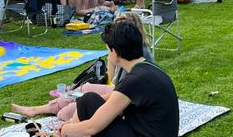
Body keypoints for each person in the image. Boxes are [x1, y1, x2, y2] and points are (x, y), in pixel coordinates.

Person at [39, 21, 179, 137]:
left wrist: (66, 129)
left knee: (86, 127)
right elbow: (110, 100)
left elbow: (92, 127)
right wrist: (75, 122)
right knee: (87, 101)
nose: (107, 54)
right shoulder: (147, 69)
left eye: (107, 49)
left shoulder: (134, 80)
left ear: (116, 52)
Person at [11, 12, 154, 121]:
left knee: (70, 110)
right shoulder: (120, 51)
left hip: (123, 99)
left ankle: (63, 112)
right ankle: (35, 109)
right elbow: (111, 80)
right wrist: (111, 61)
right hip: (118, 91)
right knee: (82, 90)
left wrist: (89, 100)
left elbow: (122, 93)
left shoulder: (137, 58)